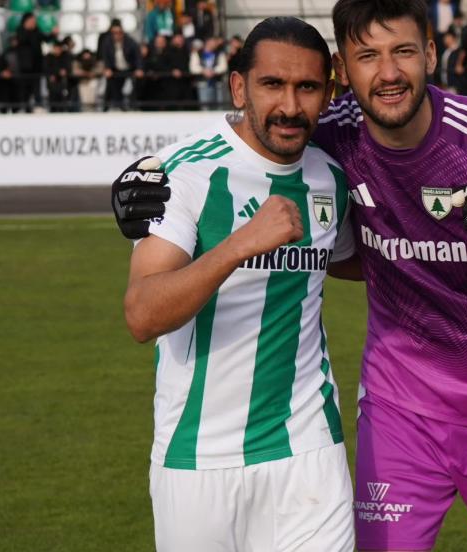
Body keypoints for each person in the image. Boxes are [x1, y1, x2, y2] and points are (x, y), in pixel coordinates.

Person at [112, 1, 467, 550]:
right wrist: (137, 184)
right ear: (344, 71)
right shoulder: (327, 136)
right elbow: (244, 145)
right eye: (368, 56)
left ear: (430, 54)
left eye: (403, 51)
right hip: (398, 411)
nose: (388, 73)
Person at [115, 16, 354, 552]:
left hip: (308, 449)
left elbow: (349, 260)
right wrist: (239, 244)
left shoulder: (330, 177)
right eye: (272, 84)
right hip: (197, 458)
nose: (290, 106)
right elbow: (142, 315)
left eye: (307, 87)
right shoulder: (185, 173)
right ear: (240, 87)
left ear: (327, 94)